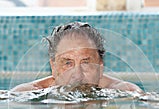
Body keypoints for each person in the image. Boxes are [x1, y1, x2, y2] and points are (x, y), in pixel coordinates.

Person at [11, 21, 143, 94]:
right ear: (54, 67)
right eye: (68, 63)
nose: (77, 76)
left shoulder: (126, 92)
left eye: (86, 63)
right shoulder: (27, 93)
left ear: (100, 67)